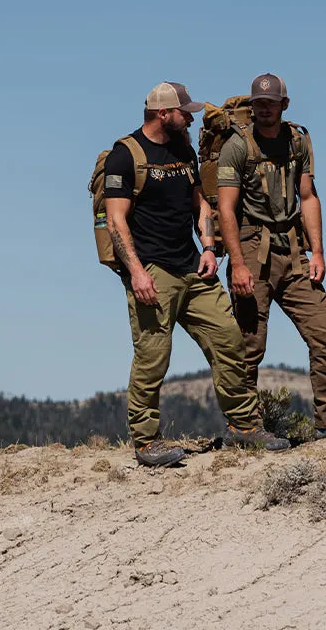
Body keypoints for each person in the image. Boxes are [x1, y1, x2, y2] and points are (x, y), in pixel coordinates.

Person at [104, 81, 289, 466]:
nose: (191, 118)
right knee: (153, 355)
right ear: (162, 114)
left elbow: (200, 205)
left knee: (229, 339)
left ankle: (243, 426)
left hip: (193, 268)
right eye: (184, 112)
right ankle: (146, 440)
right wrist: (137, 273)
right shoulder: (126, 155)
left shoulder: (183, 149)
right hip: (153, 271)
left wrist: (208, 247)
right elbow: (116, 221)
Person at [217, 74, 326, 444]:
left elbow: (308, 196)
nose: (263, 108)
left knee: (325, 331)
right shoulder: (237, 147)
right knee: (250, 343)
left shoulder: (298, 141)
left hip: (293, 248)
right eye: (257, 103)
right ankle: (244, 427)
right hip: (251, 247)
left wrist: (318, 251)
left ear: (284, 104)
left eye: (270, 102)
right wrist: (236, 263)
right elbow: (225, 208)